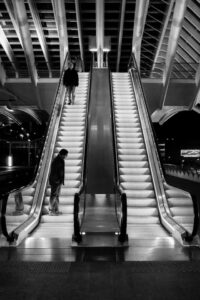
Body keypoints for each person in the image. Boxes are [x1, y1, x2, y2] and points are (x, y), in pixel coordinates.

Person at [48, 149, 68, 215]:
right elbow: (54, 172)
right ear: (62, 154)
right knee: (53, 195)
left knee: (56, 196)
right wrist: (56, 181)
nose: (66, 156)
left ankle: (56, 210)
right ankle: (51, 210)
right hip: (55, 181)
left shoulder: (60, 160)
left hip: (58, 181)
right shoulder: (57, 161)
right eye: (65, 155)